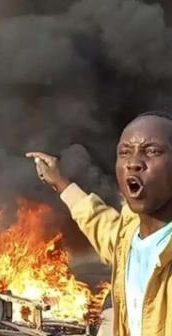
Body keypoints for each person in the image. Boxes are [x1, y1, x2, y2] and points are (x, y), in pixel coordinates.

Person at [27, 111, 172, 336]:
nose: (133, 163)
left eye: (152, 151)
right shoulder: (129, 238)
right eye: (124, 153)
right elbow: (101, 224)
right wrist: (61, 184)